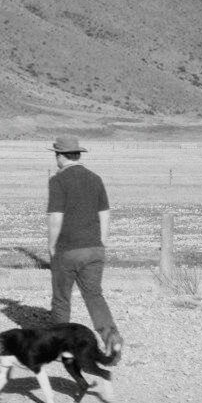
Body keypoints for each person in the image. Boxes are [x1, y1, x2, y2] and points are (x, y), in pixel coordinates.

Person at [46, 136, 123, 363]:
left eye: (56, 155)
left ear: (60, 156)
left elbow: (56, 216)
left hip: (67, 249)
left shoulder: (58, 181)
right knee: (94, 296)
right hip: (94, 249)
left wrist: (52, 245)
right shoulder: (95, 179)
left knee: (62, 299)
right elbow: (105, 213)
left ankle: (62, 347)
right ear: (78, 154)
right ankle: (112, 339)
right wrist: (101, 241)